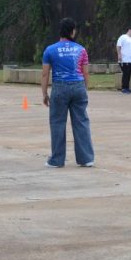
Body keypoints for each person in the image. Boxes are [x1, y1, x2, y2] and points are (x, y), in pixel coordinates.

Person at [42, 17, 94, 168]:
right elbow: (86, 73)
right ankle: (86, 159)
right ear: (72, 31)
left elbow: (45, 74)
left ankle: (57, 160)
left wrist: (44, 93)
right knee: (81, 122)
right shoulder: (81, 49)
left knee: (57, 123)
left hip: (60, 87)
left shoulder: (50, 50)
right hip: (78, 86)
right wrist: (84, 89)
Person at [116, 26, 131, 94]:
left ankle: (127, 88)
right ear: (129, 30)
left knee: (129, 74)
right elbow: (118, 46)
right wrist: (119, 54)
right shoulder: (123, 37)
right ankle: (124, 88)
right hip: (125, 60)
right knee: (126, 73)